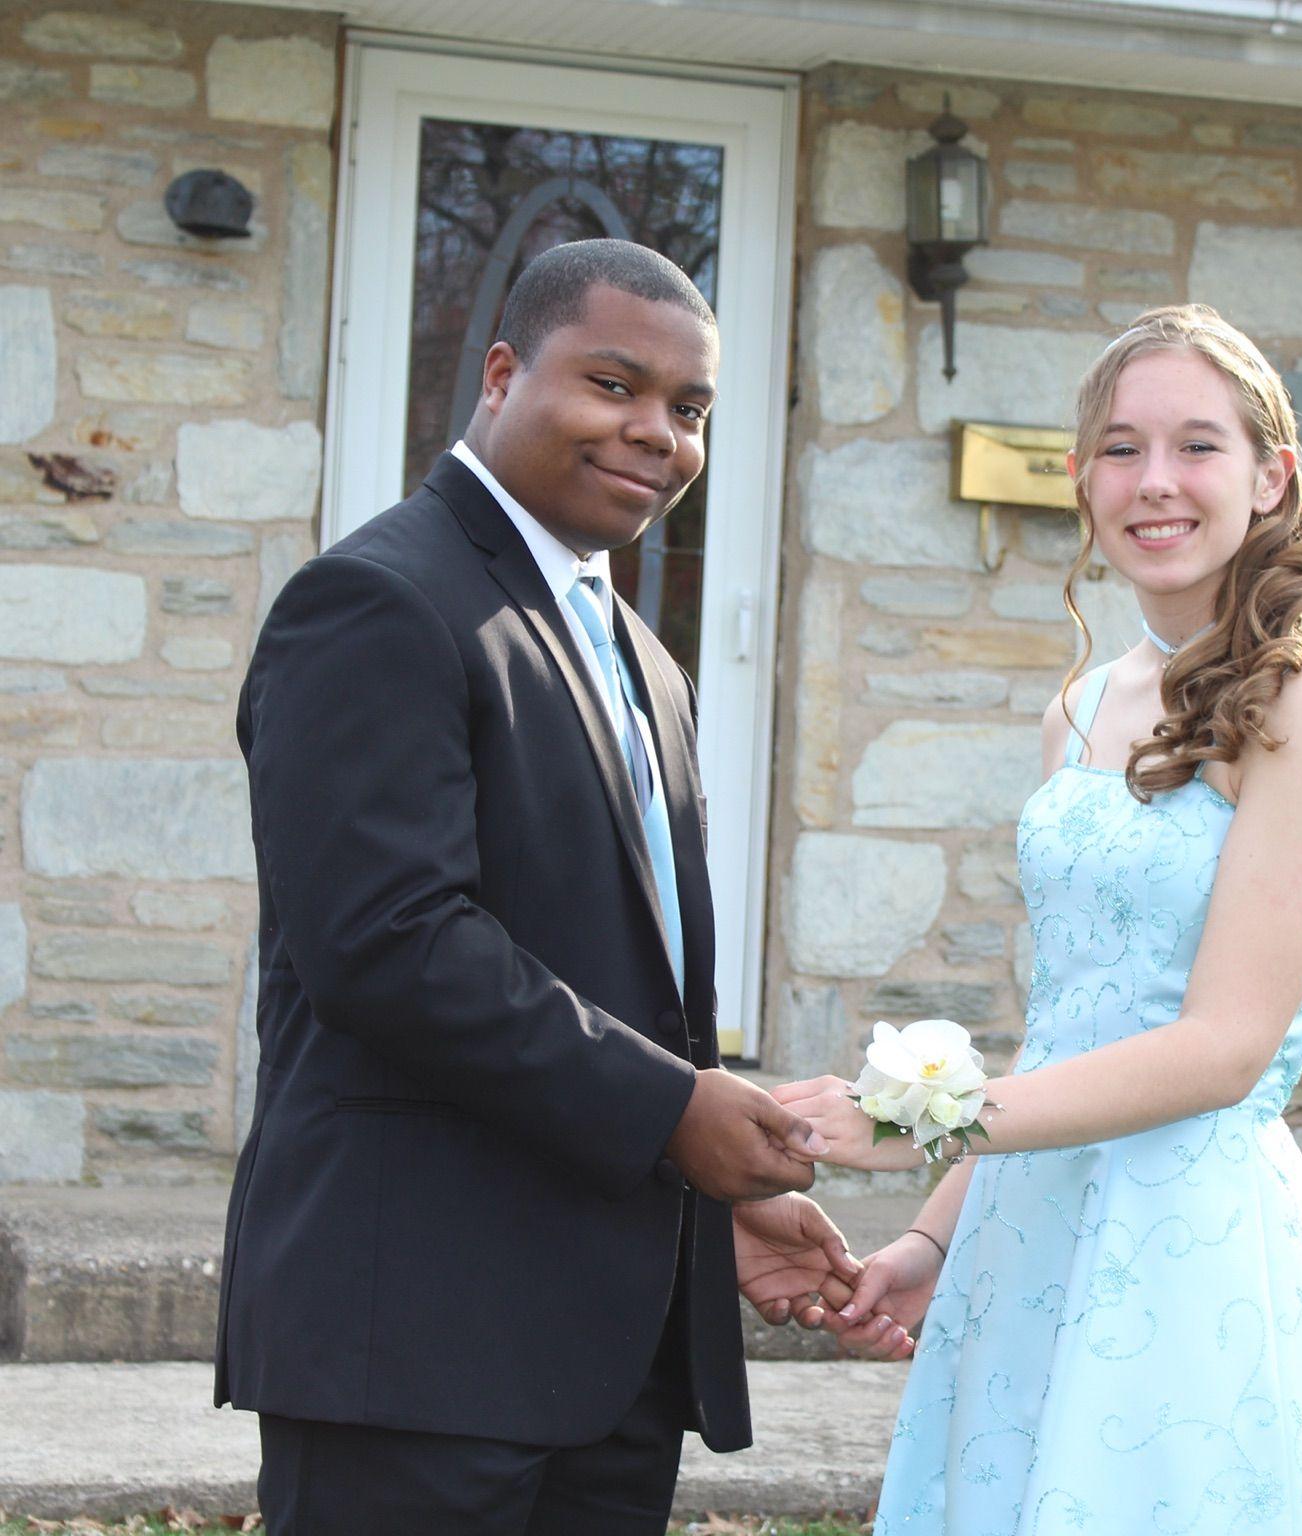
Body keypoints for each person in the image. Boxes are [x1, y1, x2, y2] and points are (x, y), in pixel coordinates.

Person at [215, 239, 860, 1536]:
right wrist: (673, 1112)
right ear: (503, 374)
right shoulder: (378, 602)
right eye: (614, 384)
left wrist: (701, 1196)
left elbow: (619, 974)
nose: (657, 432)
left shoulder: (644, 659)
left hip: (610, 1353)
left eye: (690, 409)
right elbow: (390, 945)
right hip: (415, 1345)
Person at [780, 304, 1302, 1533]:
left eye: (1197, 445)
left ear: (1271, 476)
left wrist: (920, 1120)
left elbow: (1222, 1049)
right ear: (1081, 477)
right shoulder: (1080, 708)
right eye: (1121, 448)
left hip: (1185, 1242)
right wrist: (936, 1239)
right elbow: (1071, 1025)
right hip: (1030, 1228)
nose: (1153, 480)